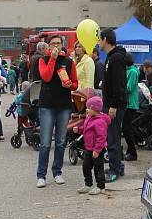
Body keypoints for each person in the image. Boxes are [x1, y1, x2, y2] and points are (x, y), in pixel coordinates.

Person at [35, 34, 78, 188]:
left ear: (62, 45)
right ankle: (41, 175)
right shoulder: (43, 60)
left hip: (64, 105)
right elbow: (46, 77)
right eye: (52, 43)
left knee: (60, 141)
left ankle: (57, 172)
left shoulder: (69, 61)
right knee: (45, 142)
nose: (55, 46)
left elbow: (75, 83)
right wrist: (52, 59)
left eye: (58, 43)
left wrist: (70, 86)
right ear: (48, 46)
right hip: (47, 105)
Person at [99, 29, 128, 182]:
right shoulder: (112, 57)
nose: (98, 42)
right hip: (111, 103)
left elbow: (119, 84)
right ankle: (118, 165)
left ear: (105, 39)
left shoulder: (115, 58)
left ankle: (114, 170)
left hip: (114, 105)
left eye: (99, 39)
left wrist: (114, 105)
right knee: (113, 136)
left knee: (112, 137)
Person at [77, 95, 111, 196]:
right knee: (86, 166)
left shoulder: (100, 122)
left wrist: (97, 150)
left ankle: (100, 186)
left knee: (98, 168)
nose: (86, 110)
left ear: (94, 109)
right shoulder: (89, 117)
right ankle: (88, 183)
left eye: (88, 108)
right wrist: (78, 130)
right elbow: (85, 128)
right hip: (88, 147)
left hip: (97, 149)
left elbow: (101, 137)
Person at [123, 54, 140, 161]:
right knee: (126, 128)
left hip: (130, 103)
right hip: (127, 103)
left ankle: (133, 153)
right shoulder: (128, 70)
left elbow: (129, 88)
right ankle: (130, 151)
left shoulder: (132, 72)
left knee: (126, 128)